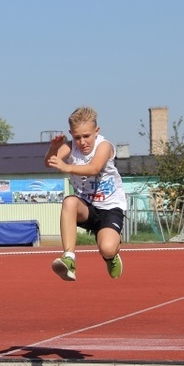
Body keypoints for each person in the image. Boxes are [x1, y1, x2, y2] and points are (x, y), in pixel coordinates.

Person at [45, 106, 127, 281]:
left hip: (109, 208)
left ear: (96, 131)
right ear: (71, 134)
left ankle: (111, 255)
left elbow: (94, 168)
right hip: (86, 207)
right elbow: (50, 163)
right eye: (77, 137)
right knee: (69, 202)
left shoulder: (104, 146)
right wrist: (53, 149)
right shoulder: (70, 146)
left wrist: (67, 167)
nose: (82, 142)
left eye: (86, 136)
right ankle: (69, 258)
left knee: (107, 248)